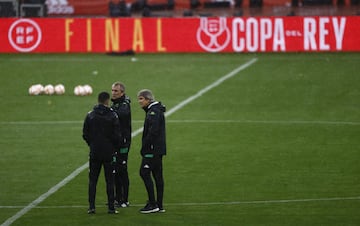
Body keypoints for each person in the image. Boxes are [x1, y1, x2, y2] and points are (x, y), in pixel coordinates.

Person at [82, 91, 121, 214]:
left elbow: (85, 134)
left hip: (94, 152)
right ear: (107, 101)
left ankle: (91, 207)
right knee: (110, 180)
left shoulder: (90, 115)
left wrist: (92, 144)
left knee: (93, 180)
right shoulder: (113, 115)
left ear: (98, 100)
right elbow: (117, 136)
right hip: (109, 153)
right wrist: (112, 147)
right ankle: (111, 207)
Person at [137, 89, 166, 214]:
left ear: (148, 99)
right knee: (157, 176)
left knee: (144, 172)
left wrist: (145, 146)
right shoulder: (155, 110)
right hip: (158, 149)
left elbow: (153, 132)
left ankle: (153, 204)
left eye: (141, 99)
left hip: (152, 150)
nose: (139, 102)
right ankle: (159, 205)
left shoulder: (153, 112)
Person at [111, 82, 132, 208]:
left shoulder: (124, 106)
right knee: (115, 170)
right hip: (115, 142)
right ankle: (117, 198)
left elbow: (120, 115)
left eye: (116, 91)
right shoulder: (117, 104)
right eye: (112, 90)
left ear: (122, 93)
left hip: (123, 143)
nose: (113, 93)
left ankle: (124, 199)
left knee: (122, 170)